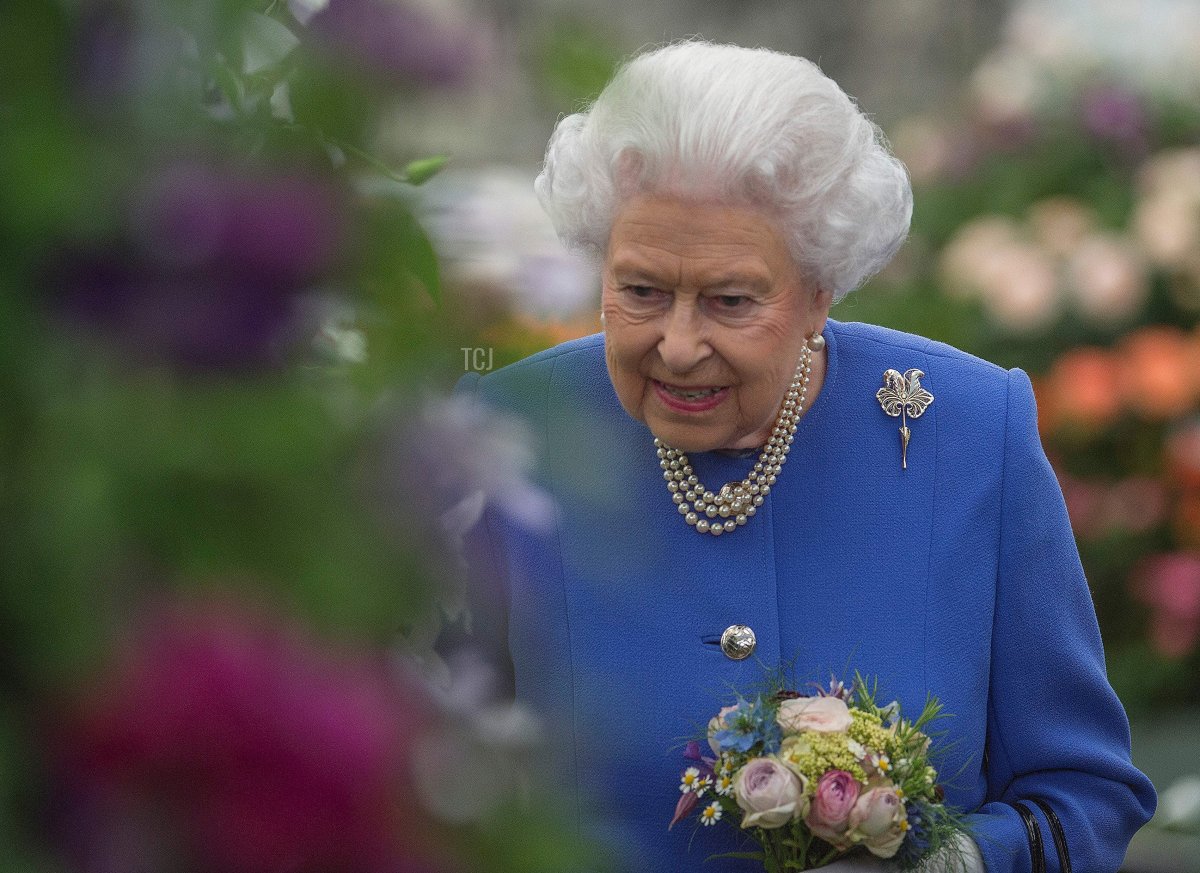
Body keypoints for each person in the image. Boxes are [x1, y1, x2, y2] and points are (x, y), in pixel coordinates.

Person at [454, 41, 1156, 872]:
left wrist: (948, 861)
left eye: (731, 300)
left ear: (821, 287)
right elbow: (415, 778)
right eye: (641, 290)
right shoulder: (517, 433)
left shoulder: (971, 431)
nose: (678, 346)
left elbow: (1084, 795)